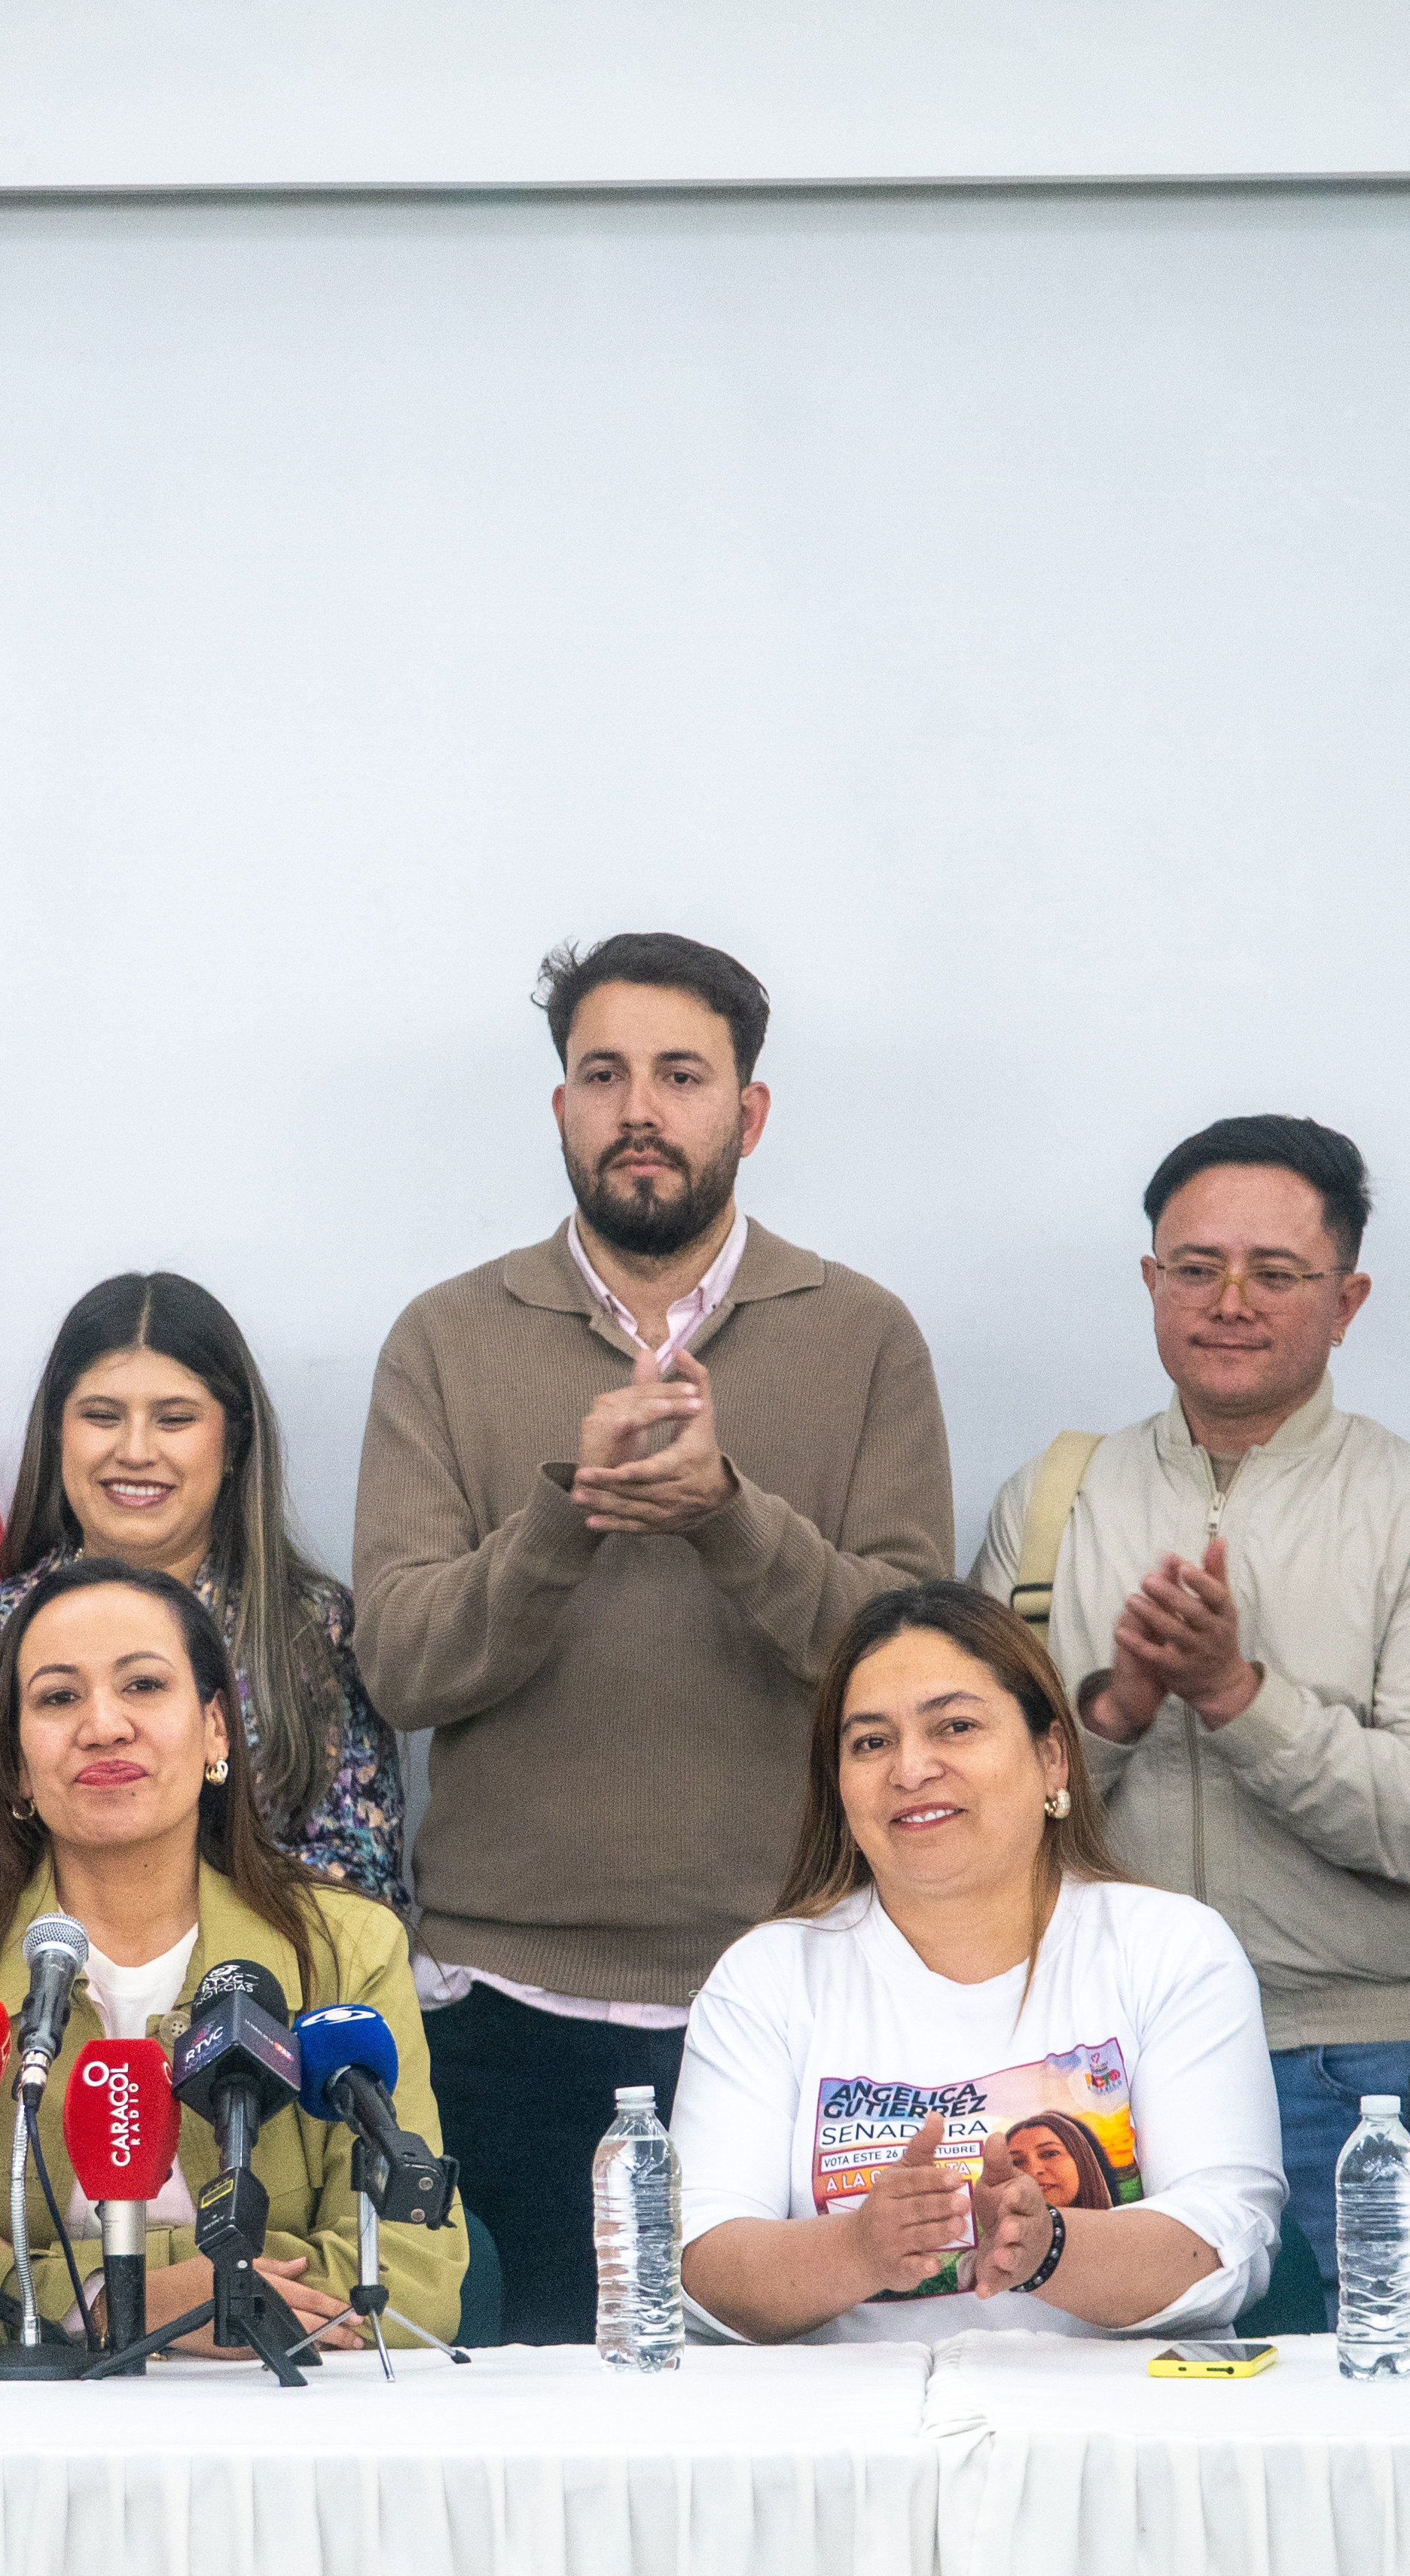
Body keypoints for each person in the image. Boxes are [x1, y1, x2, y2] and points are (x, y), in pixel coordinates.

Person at [356, 932, 952, 2343]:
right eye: (601, 1074)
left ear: (745, 1113)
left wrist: (727, 1517)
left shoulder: (862, 1335)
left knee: (800, 2430)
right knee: (533, 2452)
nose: (638, 1109)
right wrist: (569, 1516)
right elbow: (398, 1662)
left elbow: (914, 1679)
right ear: (558, 1107)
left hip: (798, 1984)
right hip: (499, 2003)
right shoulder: (442, 1338)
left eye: (679, 1075)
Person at [968, 1114, 1410, 2288]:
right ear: (1149, 1280)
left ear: (1348, 1297)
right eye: (1195, 1267)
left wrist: (1235, 1695)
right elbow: (970, 1814)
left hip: (1351, 2063)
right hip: (1087, 2072)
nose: (1230, 1299)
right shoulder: (1052, 1498)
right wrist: (1110, 1713)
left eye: (1275, 1273)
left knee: (1365, 2415)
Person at [0, 1558, 461, 2352]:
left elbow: (411, 2270)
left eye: (143, 1684)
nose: (104, 1724)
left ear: (216, 1727)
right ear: (13, 1762)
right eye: (57, 1696)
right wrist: (120, 2299)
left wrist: (22, 2278)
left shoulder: (344, 1947)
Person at [676, 1581, 1285, 2344]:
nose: (910, 1767)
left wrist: (1048, 2245)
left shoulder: (1171, 1947)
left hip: (1118, 2438)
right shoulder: (765, 1975)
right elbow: (698, 2259)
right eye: (870, 1741)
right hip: (843, 2447)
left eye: (955, 1725)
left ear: (1051, 1757)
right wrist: (858, 2247)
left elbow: (1227, 2240)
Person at [0, 1270, 404, 1909]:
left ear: (233, 1443)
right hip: (20, 1997)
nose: (135, 1451)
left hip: (253, 2000)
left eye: (174, 1418)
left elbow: (361, 1877)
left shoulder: (314, 1629)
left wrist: (166, 1945)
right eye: (102, 1416)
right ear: (59, 1431)